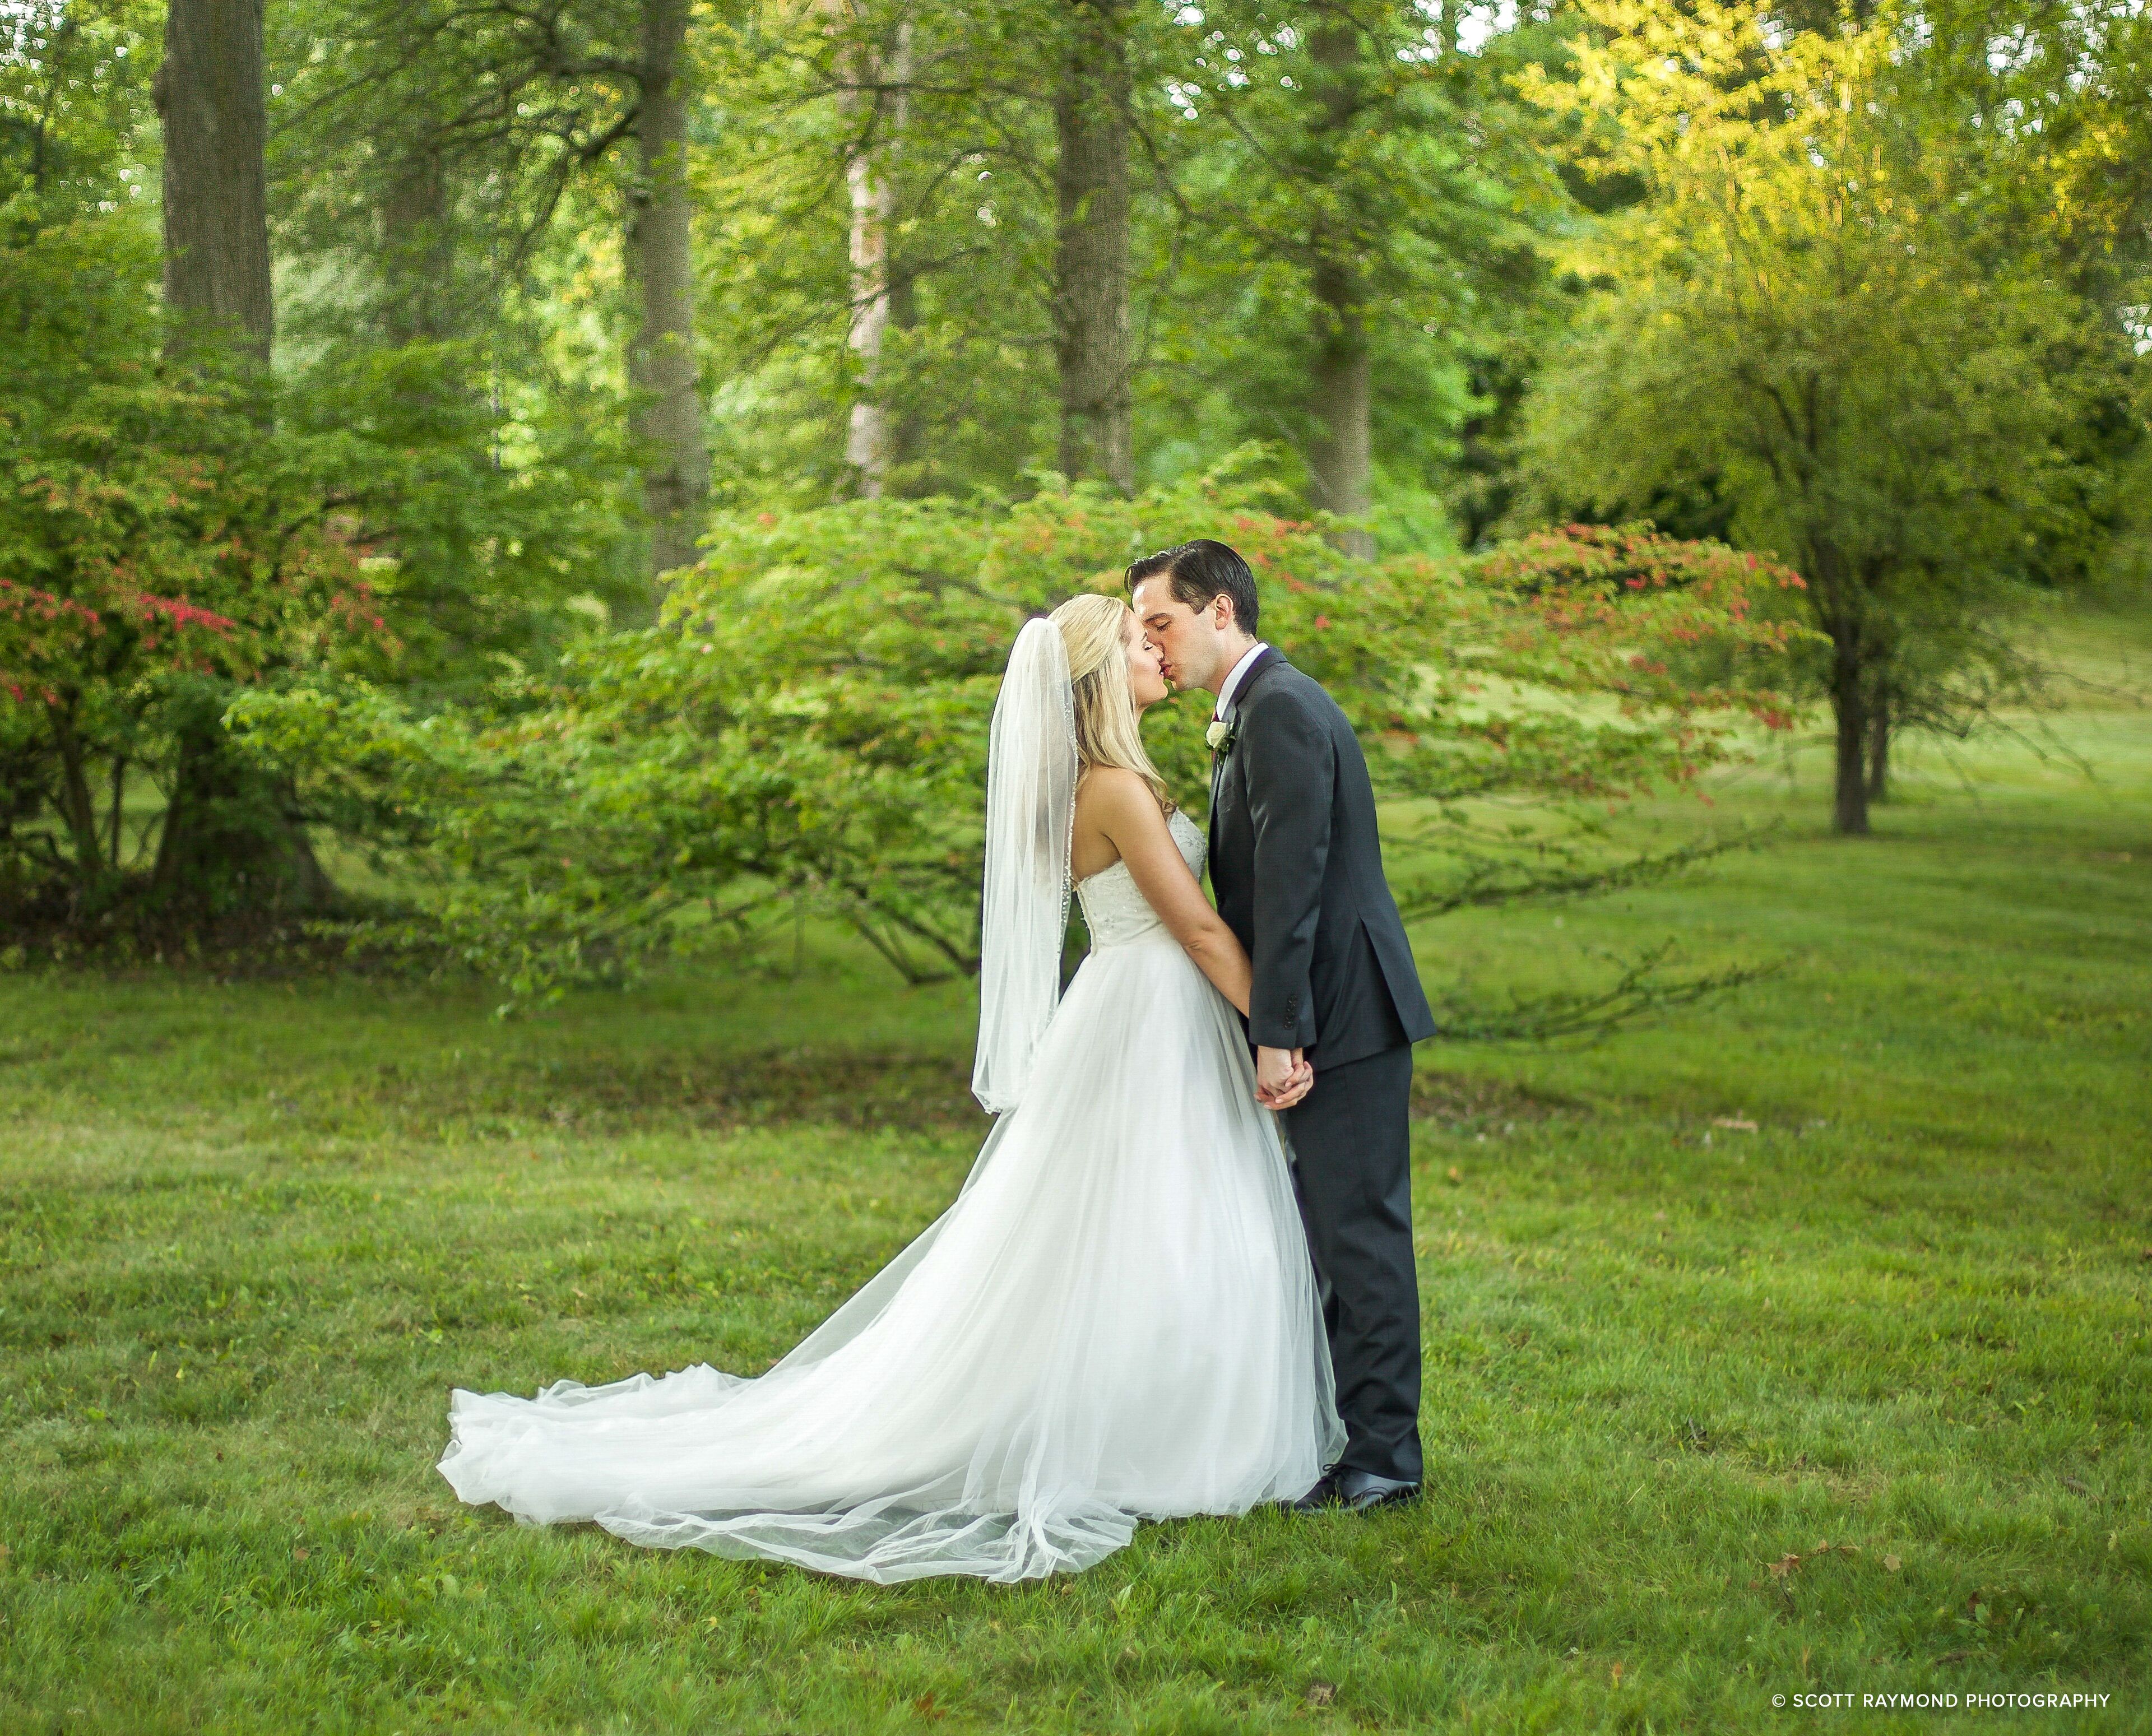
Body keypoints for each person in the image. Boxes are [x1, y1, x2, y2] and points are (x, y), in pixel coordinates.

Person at [437, 594, 1341, 1583]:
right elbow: (1198, 928)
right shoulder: (1116, 788)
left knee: (1146, 1221)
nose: (1154, 651)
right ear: (1095, 677)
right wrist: (1281, 1031)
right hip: (1149, 1011)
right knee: (1157, 1217)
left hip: (1138, 1007)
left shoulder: (1101, 779)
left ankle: (1153, 1410)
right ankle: (1154, 1431)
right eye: (1135, 640)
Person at [1131, 541, 1437, 1512]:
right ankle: (1355, 1439)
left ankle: (1384, 1458)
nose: (1154, 645)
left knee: (1359, 1233)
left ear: (1220, 610)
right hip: (1326, 1005)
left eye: (1163, 623)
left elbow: (1294, 885)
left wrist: (1279, 1032)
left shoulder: (1281, 710)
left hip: (1344, 1010)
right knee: (1333, 1231)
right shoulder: (1256, 710)